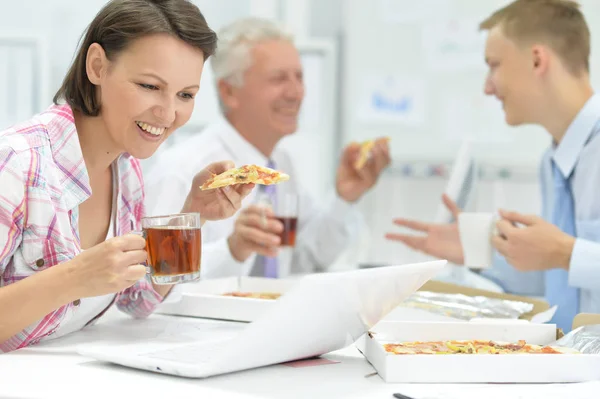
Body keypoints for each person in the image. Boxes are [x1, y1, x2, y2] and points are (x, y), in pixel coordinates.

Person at [0, 0, 254, 352]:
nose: (168, 113)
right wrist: (74, 277)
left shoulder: (126, 168)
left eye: (185, 95)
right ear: (97, 66)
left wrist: (192, 214)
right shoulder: (16, 163)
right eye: (150, 86)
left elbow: (139, 300)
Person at [386, 0, 599, 332]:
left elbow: (568, 261)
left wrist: (567, 253)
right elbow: (565, 283)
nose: (487, 86)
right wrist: (482, 252)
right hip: (573, 362)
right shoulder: (553, 162)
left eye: (494, 65)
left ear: (537, 60)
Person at [145, 17, 390, 279]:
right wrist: (232, 250)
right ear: (229, 92)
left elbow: (307, 256)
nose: (296, 93)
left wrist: (344, 198)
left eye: (299, 77)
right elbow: (155, 279)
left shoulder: (280, 165)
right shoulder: (183, 169)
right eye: (278, 79)